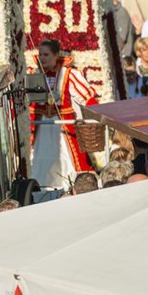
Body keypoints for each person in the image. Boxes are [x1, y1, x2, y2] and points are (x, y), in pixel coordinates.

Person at [28, 39, 98, 191]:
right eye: (40, 54)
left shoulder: (69, 73)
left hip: (63, 129)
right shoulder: (34, 74)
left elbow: (86, 97)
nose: (42, 58)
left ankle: (72, 188)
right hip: (42, 128)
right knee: (40, 161)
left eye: (46, 54)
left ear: (56, 55)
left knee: (68, 161)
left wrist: (99, 117)